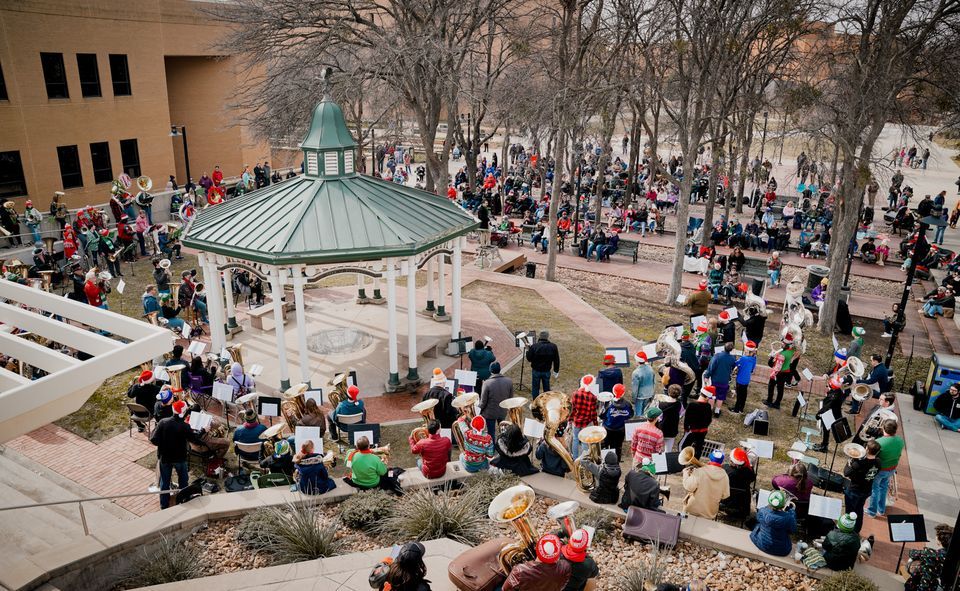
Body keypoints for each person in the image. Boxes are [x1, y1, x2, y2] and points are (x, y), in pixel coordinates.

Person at [149, 400, 191, 509]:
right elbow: (194, 439)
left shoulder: (163, 422)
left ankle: (164, 505)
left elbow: (153, 439)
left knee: (164, 483)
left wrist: (163, 444)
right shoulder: (185, 426)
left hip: (165, 457)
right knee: (183, 480)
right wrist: (203, 430)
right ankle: (184, 500)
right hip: (180, 458)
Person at [502, 534, 571, 591]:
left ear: (536, 549)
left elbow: (504, 589)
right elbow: (562, 586)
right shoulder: (565, 567)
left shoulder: (519, 571)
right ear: (557, 556)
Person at [867, 419, 903, 517]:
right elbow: (899, 455)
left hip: (880, 470)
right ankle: (881, 510)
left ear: (883, 428)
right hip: (892, 469)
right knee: (884, 488)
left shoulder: (879, 442)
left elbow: (871, 457)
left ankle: (872, 512)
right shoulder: (900, 440)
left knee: (875, 489)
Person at [681, 449, 730, 520]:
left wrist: (686, 474)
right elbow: (725, 495)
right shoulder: (725, 476)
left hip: (693, 510)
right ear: (721, 462)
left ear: (710, 459)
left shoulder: (699, 471)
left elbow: (689, 487)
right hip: (710, 513)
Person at [843, 440, 880, 532]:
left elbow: (846, 473)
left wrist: (849, 462)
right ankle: (857, 530)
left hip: (855, 491)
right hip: (866, 490)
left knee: (850, 512)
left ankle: (847, 530)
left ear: (867, 449)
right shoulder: (879, 462)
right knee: (859, 511)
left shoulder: (860, 463)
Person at [904, 524, 954, 591]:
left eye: (936, 536)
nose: (935, 537)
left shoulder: (933, 555)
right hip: (947, 582)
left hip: (936, 585)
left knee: (916, 573)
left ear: (940, 540)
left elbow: (912, 553)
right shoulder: (949, 553)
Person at [749, 490, 797, 557]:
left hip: (761, 544)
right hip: (781, 550)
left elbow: (759, 519)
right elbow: (793, 531)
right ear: (783, 504)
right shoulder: (789, 517)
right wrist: (792, 513)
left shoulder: (762, 511)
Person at [810, 376, 849, 453]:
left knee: (826, 429)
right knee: (826, 430)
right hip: (833, 413)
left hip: (831, 414)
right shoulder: (838, 391)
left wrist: (818, 413)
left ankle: (824, 446)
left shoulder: (833, 396)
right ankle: (824, 444)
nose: (827, 386)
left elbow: (827, 406)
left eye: (829, 386)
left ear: (833, 387)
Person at [719, 448, 756, 519]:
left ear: (733, 462)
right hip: (741, 505)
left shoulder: (725, 468)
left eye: (730, 459)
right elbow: (752, 478)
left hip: (726, 501)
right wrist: (751, 465)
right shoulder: (748, 472)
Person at [569, 375, 599, 458]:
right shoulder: (592, 397)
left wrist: (570, 420)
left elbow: (572, 409)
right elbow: (593, 413)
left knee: (575, 439)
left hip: (576, 421)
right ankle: (583, 460)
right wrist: (596, 424)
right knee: (584, 441)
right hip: (586, 422)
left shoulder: (575, 394)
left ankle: (575, 459)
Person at [679, 387, 714, 459]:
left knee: (682, 445)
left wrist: (686, 429)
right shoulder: (708, 406)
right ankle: (696, 461)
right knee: (699, 447)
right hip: (703, 431)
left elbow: (687, 419)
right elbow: (709, 420)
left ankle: (681, 460)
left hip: (691, 431)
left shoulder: (691, 405)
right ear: (707, 397)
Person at [479, 362, 512, 435]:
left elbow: (483, 402)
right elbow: (510, 398)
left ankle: (493, 445)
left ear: (490, 371)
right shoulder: (509, 381)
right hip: (503, 411)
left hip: (490, 413)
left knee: (491, 433)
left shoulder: (486, 383)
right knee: (503, 432)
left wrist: (478, 410)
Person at [602, 384, 633, 462]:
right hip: (620, 429)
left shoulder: (608, 403)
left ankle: (606, 460)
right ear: (623, 393)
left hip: (608, 428)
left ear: (613, 392)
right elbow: (631, 415)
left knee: (606, 445)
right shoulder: (627, 404)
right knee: (618, 445)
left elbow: (602, 415)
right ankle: (617, 460)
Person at [703, 342, 735, 417]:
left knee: (712, 395)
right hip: (724, 381)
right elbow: (733, 367)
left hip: (715, 380)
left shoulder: (717, 356)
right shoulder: (732, 358)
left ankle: (710, 410)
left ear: (724, 347)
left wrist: (707, 376)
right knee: (720, 397)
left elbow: (711, 367)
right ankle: (717, 411)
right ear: (731, 350)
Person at [527, 330, 560, 399]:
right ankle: (546, 402)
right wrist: (556, 370)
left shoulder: (534, 346)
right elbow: (556, 360)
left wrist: (528, 350)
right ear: (547, 337)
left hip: (536, 371)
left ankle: (535, 403)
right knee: (546, 388)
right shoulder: (553, 346)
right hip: (546, 371)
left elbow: (529, 359)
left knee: (535, 388)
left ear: (540, 337)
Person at [731, 341, 757, 414]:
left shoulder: (743, 358)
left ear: (748, 351)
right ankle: (741, 409)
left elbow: (735, 363)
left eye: (746, 350)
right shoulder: (754, 358)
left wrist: (734, 356)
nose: (744, 351)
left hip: (740, 379)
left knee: (739, 395)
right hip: (747, 379)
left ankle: (736, 409)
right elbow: (752, 369)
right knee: (744, 395)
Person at [658, 386, 683, 452]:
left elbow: (659, 417)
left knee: (658, 448)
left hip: (661, 429)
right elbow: (681, 414)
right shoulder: (679, 404)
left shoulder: (661, 405)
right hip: (672, 430)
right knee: (668, 450)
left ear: (668, 392)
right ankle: (666, 461)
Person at [631, 351, 656, 416]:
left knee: (639, 414)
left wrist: (633, 398)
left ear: (637, 361)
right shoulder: (650, 368)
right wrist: (652, 394)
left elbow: (635, 388)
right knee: (645, 413)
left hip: (640, 396)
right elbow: (654, 382)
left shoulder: (636, 373)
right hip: (649, 394)